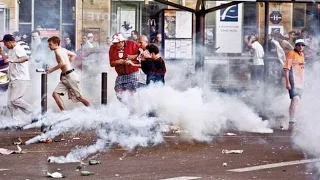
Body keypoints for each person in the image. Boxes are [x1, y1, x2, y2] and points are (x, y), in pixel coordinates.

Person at [45, 36, 91, 111]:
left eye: (50, 44)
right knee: (55, 94)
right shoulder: (63, 49)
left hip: (70, 77)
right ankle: (64, 113)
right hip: (65, 76)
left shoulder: (57, 51)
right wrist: (68, 63)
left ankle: (93, 111)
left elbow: (62, 63)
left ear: (56, 44)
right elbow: (74, 55)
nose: (49, 46)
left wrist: (51, 70)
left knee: (79, 97)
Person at [0, 34, 36, 126]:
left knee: (14, 99)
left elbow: (25, 58)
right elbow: (7, 60)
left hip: (21, 78)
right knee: (10, 103)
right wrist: (1, 52)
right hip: (13, 78)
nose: (4, 45)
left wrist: (13, 61)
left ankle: (34, 114)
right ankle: (16, 122)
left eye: (5, 43)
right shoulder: (11, 50)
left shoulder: (18, 48)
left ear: (10, 42)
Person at [109, 33, 142, 100]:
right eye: (114, 43)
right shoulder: (112, 48)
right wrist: (118, 61)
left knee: (130, 93)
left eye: (117, 43)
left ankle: (131, 108)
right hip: (120, 75)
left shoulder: (131, 44)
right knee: (119, 93)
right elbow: (111, 63)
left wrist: (133, 57)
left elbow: (141, 56)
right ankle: (126, 107)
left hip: (132, 73)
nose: (115, 45)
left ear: (122, 41)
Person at [283, 39, 306, 131]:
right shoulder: (291, 53)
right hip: (293, 81)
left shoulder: (302, 55)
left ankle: (294, 121)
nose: (301, 47)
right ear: (296, 45)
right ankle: (291, 123)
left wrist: (304, 81)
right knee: (295, 99)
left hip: (300, 82)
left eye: (302, 45)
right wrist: (287, 82)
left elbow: (302, 69)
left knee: (296, 101)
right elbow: (286, 69)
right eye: (299, 45)